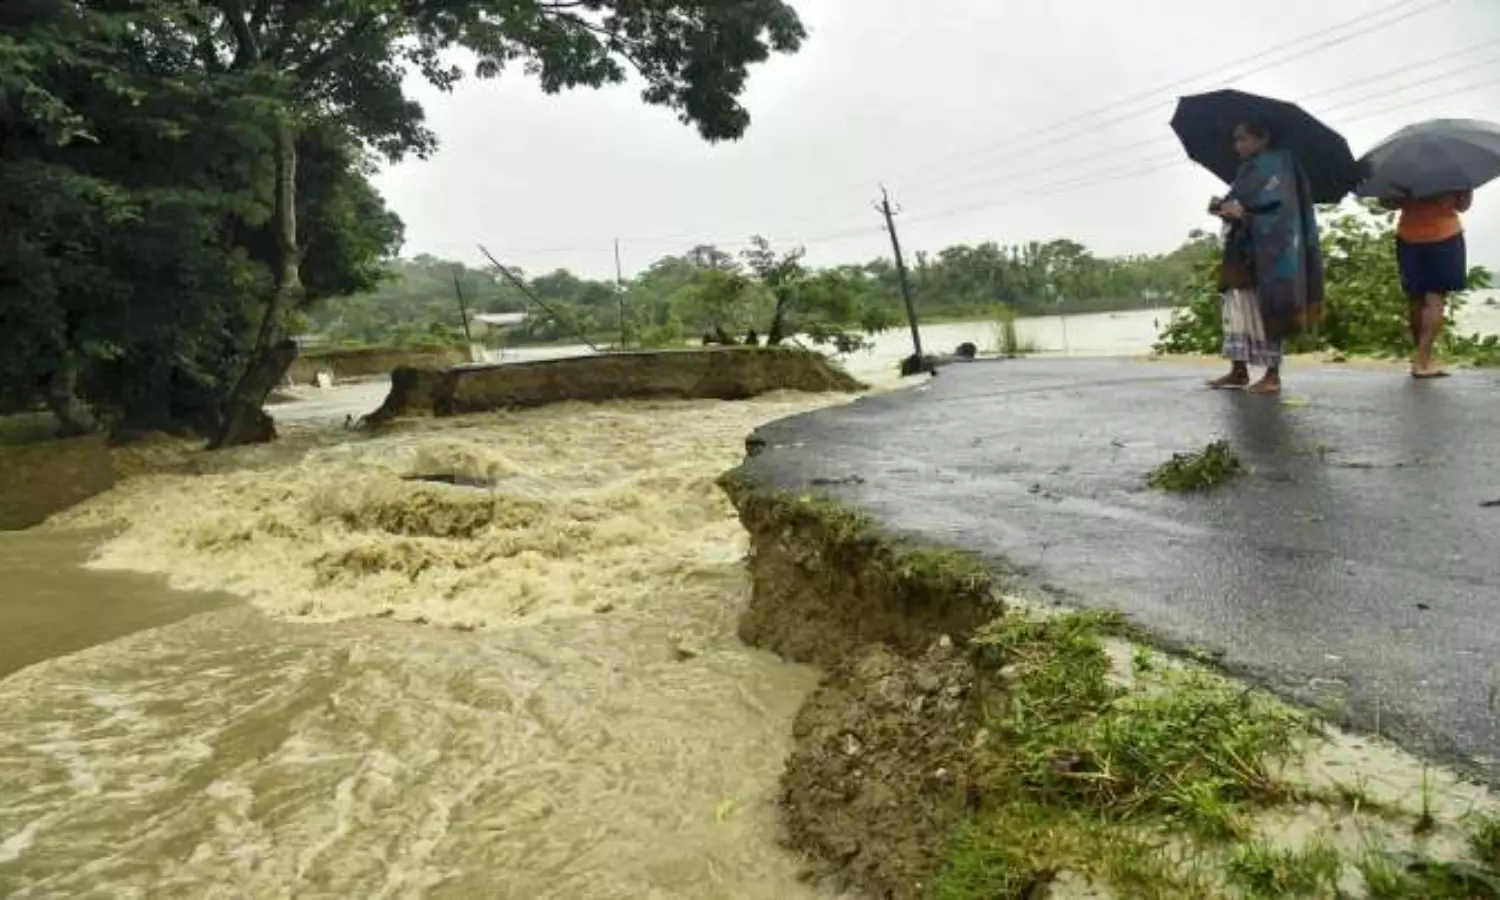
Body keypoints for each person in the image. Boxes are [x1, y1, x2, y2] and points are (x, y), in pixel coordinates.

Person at [1205, 120, 1326, 395]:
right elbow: (1240, 200)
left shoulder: (1281, 166)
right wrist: (1222, 207)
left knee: (1269, 308)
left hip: (1271, 252)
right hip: (1241, 248)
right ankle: (1238, 370)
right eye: (1235, 139)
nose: (1237, 145)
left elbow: (1282, 212)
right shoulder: (1246, 170)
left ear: (1263, 138)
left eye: (1243, 138)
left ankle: (1272, 375)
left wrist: (1245, 216)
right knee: (1236, 305)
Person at [1382, 189, 1473, 378]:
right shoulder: (1453, 174)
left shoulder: (1401, 173)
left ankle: (1421, 358)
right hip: (1445, 237)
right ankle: (1422, 361)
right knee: (1435, 300)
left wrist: (1407, 198)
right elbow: (1463, 206)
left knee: (1415, 299)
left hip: (1409, 238)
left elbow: (1386, 203)